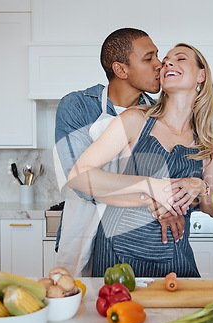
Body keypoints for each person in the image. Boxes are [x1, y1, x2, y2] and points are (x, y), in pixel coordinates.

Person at [68, 43, 213, 277]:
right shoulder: (135, 120)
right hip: (118, 253)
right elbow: (78, 176)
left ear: (201, 75)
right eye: (166, 60)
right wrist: (152, 189)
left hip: (175, 252)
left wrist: (200, 186)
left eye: (181, 59)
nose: (168, 63)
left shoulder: (207, 136)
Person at [54, 28, 185, 276]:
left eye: (157, 55)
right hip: (81, 233)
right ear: (121, 70)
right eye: (149, 59)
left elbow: (173, 178)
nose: (160, 64)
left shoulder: (160, 114)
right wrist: (154, 198)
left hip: (135, 244)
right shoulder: (77, 106)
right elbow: (81, 184)